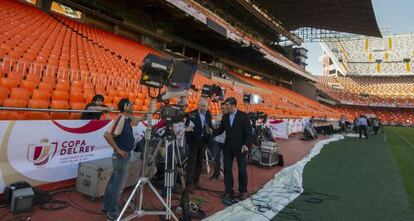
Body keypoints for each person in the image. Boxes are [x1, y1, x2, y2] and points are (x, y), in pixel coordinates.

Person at [102, 98, 146, 221]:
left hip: (123, 156)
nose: (133, 106)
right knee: (117, 185)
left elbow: (139, 119)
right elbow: (107, 135)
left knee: (113, 183)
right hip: (121, 156)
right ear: (126, 107)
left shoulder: (127, 119)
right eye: (131, 105)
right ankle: (112, 212)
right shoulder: (121, 118)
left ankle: (107, 207)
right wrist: (118, 149)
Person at [211, 97, 252, 200]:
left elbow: (249, 133)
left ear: (233, 105)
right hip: (228, 148)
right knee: (227, 169)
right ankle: (229, 191)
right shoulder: (225, 117)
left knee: (242, 170)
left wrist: (246, 145)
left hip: (241, 148)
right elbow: (220, 130)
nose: (225, 106)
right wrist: (211, 132)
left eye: (227, 105)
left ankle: (243, 191)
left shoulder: (243, 116)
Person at [185, 99, 212, 192]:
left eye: (205, 106)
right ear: (198, 105)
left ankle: (196, 181)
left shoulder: (208, 114)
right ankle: (189, 184)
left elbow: (209, 126)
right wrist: (189, 141)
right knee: (191, 163)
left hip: (203, 141)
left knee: (200, 163)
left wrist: (209, 135)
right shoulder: (192, 114)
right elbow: (187, 128)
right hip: (193, 142)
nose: (204, 107)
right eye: (202, 105)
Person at [209, 103, 227, 180]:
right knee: (216, 158)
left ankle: (227, 176)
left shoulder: (230, 117)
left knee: (226, 159)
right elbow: (214, 126)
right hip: (217, 140)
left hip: (226, 141)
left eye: (224, 108)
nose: (223, 110)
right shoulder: (219, 116)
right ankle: (216, 175)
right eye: (222, 108)